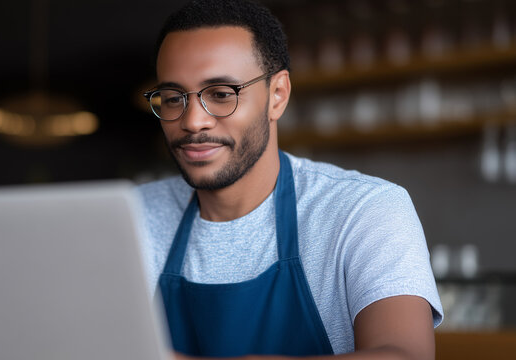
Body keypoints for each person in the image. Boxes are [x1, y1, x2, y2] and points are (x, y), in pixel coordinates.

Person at [137, 0, 443, 358]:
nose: (192, 121)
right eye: (173, 98)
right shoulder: (131, 215)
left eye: (221, 95)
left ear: (277, 95)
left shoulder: (364, 210)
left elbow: (404, 354)